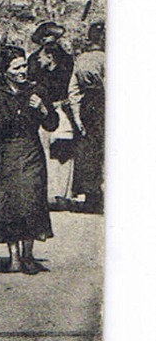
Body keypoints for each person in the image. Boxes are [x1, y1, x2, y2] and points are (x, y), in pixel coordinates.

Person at [0, 55, 60, 274]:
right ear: (6, 71)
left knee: (31, 201)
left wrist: (42, 108)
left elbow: (51, 124)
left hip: (30, 152)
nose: (23, 71)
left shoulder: (36, 91)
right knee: (8, 205)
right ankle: (13, 257)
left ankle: (28, 255)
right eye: (17, 67)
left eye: (24, 66)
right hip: (3, 155)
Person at [28, 21, 77, 208]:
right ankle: (55, 193)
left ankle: (57, 193)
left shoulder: (58, 59)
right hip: (48, 109)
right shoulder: (41, 59)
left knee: (57, 151)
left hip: (54, 109)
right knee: (52, 151)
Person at [68, 22, 105, 213]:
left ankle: (92, 195)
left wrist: (76, 117)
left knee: (89, 151)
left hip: (87, 106)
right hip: (102, 103)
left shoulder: (81, 59)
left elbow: (73, 91)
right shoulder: (106, 58)